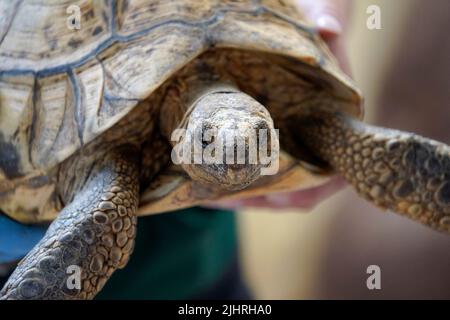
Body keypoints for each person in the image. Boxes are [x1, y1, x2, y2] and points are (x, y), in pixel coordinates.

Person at [0, 0, 352, 299]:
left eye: (255, 138)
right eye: (210, 143)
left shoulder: (284, 97)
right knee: (98, 223)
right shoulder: (113, 155)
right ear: (186, 137)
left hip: (195, 269)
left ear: (271, 127)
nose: (235, 157)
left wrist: (322, 19)